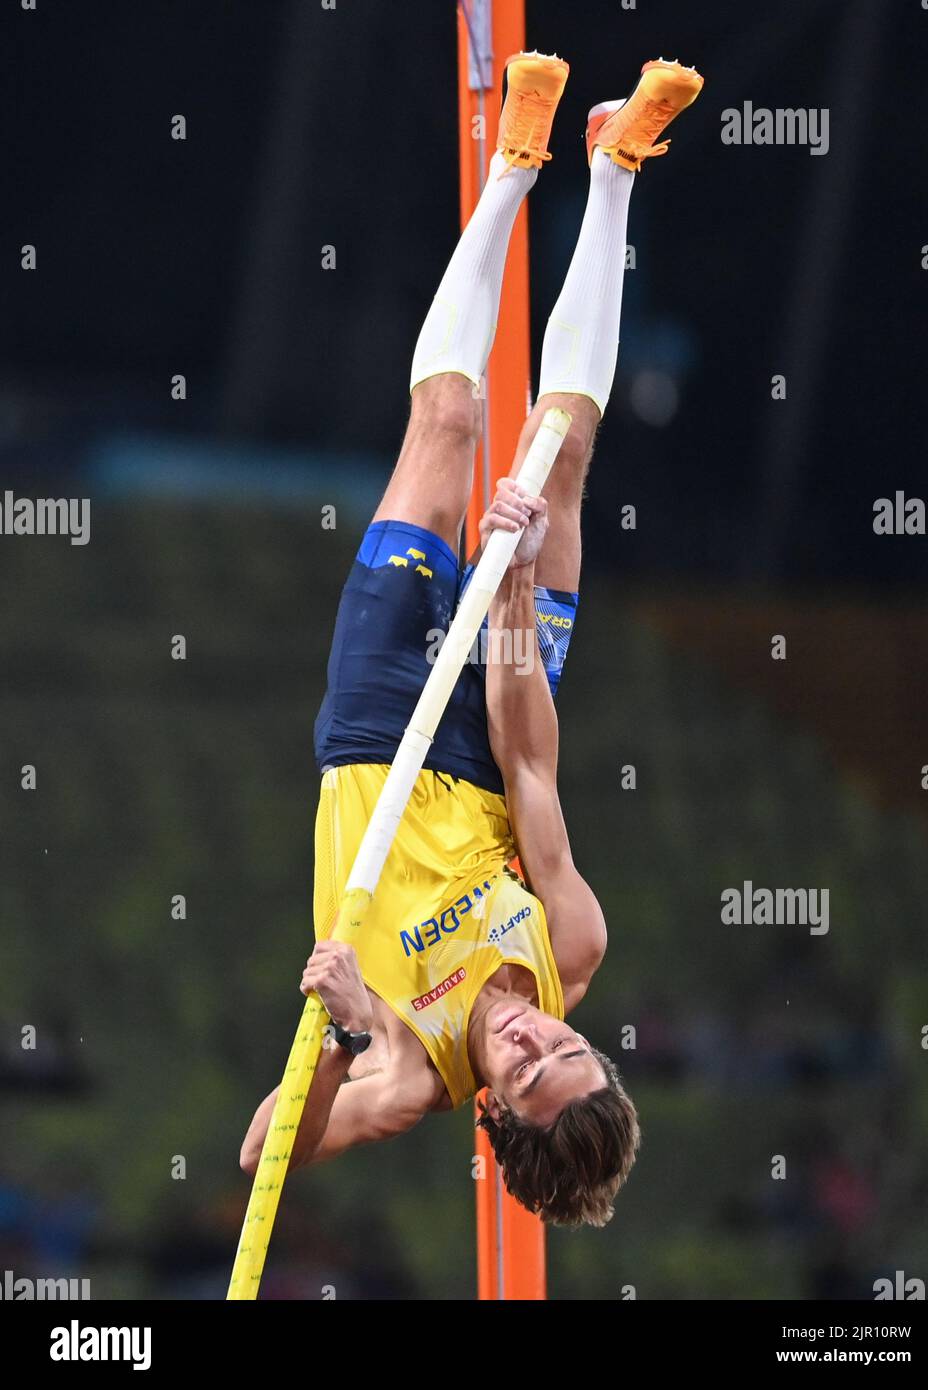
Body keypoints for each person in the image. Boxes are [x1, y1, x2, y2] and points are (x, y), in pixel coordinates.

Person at [241, 51, 703, 1227]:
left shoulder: (409, 1077)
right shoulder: (573, 943)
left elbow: (261, 1157)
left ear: (494, 1116)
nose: (534, 1032)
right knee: (559, 457)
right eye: (568, 1043)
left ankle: (503, 172)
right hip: (494, 724)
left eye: (529, 1067)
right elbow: (530, 763)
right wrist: (506, 594)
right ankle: (609, 166)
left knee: (447, 421)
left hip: (375, 723)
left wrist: (349, 1030)